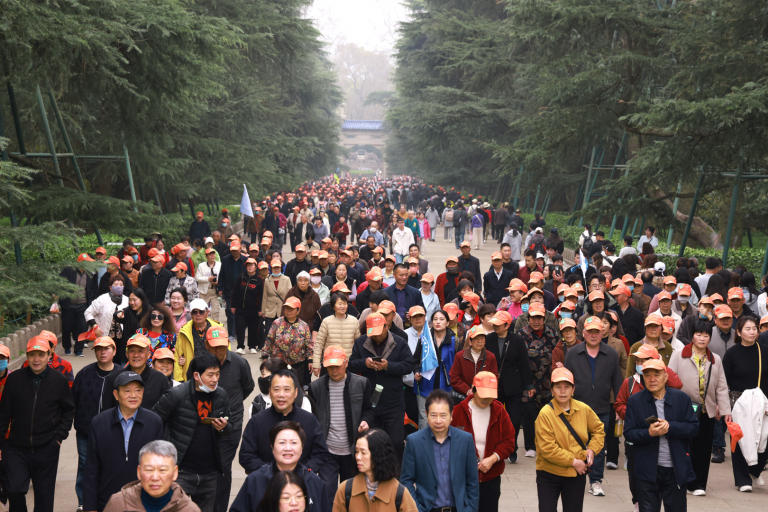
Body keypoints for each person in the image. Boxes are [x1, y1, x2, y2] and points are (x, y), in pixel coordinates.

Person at [0, 336, 75, 512]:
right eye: (32, 354)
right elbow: (4, 414)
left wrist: (59, 438)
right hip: (17, 448)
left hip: (47, 448)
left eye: (41, 354)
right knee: (14, 490)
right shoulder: (14, 379)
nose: (36, 359)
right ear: (27, 355)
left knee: (44, 499)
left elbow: (68, 410)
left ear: (49, 355)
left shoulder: (59, 380)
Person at [151, 352, 232, 512]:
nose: (215, 379)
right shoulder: (176, 395)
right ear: (196, 375)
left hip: (209, 472)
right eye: (210, 375)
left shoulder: (220, 395)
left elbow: (230, 429)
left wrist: (223, 427)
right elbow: (153, 423)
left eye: (217, 374)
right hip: (181, 471)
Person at [83, 371, 164, 512]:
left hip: (144, 502)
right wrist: (90, 507)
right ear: (116, 394)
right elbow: (91, 468)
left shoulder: (154, 422)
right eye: (127, 391)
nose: (133, 395)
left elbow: (160, 466)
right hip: (108, 501)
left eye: (138, 390)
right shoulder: (100, 422)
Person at [624, 358, 699, 511]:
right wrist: (649, 433)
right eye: (647, 375)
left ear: (666, 377)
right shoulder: (635, 401)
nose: (652, 379)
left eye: (656, 375)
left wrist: (670, 427)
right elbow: (629, 433)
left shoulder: (682, 399)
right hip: (647, 470)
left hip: (675, 469)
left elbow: (693, 428)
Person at [667, 320, 731, 496]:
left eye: (706, 335)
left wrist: (725, 411)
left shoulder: (715, 359)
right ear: (692, 336)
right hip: (684, 410)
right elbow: (670, 379)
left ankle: (699, 484)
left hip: (706, 410)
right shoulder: (679, 354)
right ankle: (682, 480)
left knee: (703, 449)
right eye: (698, 334)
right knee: (685, 447)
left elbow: (722, 387)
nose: (702, 338)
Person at [563, 315, 623, 497]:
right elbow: (565, 381)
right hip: (576, 408)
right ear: (583, 333)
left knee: (598, 447)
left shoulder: (611, 354)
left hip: (602, 408)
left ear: (602, 332)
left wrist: (619, 407)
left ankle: (595, 480)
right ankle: (575, 475)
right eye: (590, 332)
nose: (594, 335)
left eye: (597, 331)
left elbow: (617, 382)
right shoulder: (573, 353)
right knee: (575, 443)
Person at [535, 367, 605, 512]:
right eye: (558, 387)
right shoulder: (545, 414)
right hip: (549, 473)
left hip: (575, 474)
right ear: (552, 390)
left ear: (573, 390)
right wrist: (574, 462)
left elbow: (599, 429)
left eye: (567, 387)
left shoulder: (583, 409)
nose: (562, 391)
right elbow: (548, 448)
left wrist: (592, 449)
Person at [400, 390, 479, 512]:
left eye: (443, 415)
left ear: (451, 415)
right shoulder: (414, 441)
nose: (438, 420)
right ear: (426, 415)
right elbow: (406, 480)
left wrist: (470, 509)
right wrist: (416, 509)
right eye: (433, 415)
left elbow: (472, 480)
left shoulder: (465, 440)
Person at [349, 312, 415, 459]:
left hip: (393, 400)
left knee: (396, 442)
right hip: (370, 401)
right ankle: (375, 469)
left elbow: (408, 365)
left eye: (379, 332)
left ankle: (396, 471)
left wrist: (388, 366)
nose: (376, 336)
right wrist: (364, 363)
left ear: (386, 326)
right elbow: (351, 364)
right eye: (373, 333)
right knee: (373, 443)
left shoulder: (399, 342)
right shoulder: (360, 342)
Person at [308, 346, 374, 488]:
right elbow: (312, 418)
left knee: (350, 491)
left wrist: (365, 421)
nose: (334, 370)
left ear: (346, 363)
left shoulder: (361, 383)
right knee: (327, 491)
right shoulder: (316, 387)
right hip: (327, 451)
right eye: (330, 367)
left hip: (352, 451)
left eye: (337, 366)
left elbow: (369, 410)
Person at [450, 372, 514, 512]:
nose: (486, 399)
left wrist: (493, 458)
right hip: (463, 479)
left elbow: (509, 441)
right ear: (473, 389)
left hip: (490, 478)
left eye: (490, 395)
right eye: (483, 394)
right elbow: (448, 443)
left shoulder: (500, 411)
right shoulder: (458, 411)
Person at [71, 336, 123, 509]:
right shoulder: (84, 373)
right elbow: (73, 401)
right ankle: (83, 501)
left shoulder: (121, 375)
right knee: (85, 465)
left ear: (114, 351)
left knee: (110, 465)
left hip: (113, 431)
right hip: (86, 430)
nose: (102, 352)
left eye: (106, 349)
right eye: (99, 349)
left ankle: (108, 499)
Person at [231, 423, 330, 512]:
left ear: (302, 448)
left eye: (294, 443)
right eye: (282, 442)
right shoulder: (255, 479)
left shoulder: (314, 481)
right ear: (272, 447)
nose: (288, 448)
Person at [722, 315, 768, 491]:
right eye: (747, 329)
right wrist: (724, 405)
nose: (752, 332)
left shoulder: (764, 351)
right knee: (740, 438)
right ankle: (742, 480)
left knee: (764, 439)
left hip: (762, 401)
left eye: (755, 329)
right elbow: (723, 381)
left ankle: (754, 471)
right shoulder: (732, 354)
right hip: (739, 402)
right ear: (739, 332)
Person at [332, 429, 419, 512]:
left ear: (378, 454)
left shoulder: (399, 493)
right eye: (356, 451)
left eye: (363, 452)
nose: (358, 457)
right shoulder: (345, 490)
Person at [102, 440, 201, 512]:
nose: (155, 477)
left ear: (175, 473)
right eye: (149, 470)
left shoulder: (190, 510)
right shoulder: (118, 504)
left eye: (162, 470)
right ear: (139, 472)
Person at [314, 292, 367, 378]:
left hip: (349, 363)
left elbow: (358, 344)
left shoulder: (354, 321)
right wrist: (316, 364)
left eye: (345, 304)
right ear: (333, 306)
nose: (343, 306)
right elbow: (319, 344)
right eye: (340, 304)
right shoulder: (326, 322)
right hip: (331, 362)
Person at [264, 296, 313, 384]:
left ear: (298, 311)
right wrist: (265, 357)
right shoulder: (277, 323)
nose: (288, 311)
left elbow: (309, 345)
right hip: (278, 363)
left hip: (297, 364)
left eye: (291, 309)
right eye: (287, 308)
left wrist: (310, 360)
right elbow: (269, 340)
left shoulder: (304, 326)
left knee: (295, 386)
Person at [174, 299, 223, 381]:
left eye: (201, 312)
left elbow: (225, 353)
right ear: (190, 314)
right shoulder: (184, 331)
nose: (198, 315)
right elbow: (177, 357)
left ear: (207, 312)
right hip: (192, 376)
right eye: (195, 312)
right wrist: (179, 380)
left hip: (214, 375)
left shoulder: (217, 329)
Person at [60, 253, 100, 355]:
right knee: (67, 327)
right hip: (68, 305)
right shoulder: (68, 270)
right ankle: (67, 347)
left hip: (83, 305)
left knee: (82, 327)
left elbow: (93, 288)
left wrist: (92, 302)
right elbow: (60, 284)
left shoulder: (90, 274)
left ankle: (78, 350)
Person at [449, 325, 499, 398]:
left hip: (484, 395)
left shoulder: (490, 356)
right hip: (465, 395)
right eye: (476, 338)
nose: (479, 341)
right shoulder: (460, 356)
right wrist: (467, 390)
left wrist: (483, 390)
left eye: (482, 338)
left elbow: (494, 377)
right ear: (470, 342)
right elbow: (454, 377)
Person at [84, 274, 130, 350]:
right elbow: (88, 313)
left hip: (123, 338)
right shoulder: (102, 299)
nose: (119, 286)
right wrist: (95, 326)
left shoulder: (127, 300)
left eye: (121, 285)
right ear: (110, 287)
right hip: (105, 336)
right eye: (116, 284)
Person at [230, 257, 264, 354]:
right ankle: (240, 346)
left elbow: (262, 296)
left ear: (256, 267)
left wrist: (261, 309)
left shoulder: (259, 280)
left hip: (254, 309)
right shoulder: (241, 277)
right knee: (240, 327)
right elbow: (235, 292)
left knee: (253, 328)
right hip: (240, 309)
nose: (250, 267)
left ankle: (252, 346)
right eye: (248, 265)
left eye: (252, 265)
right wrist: (233, 305)